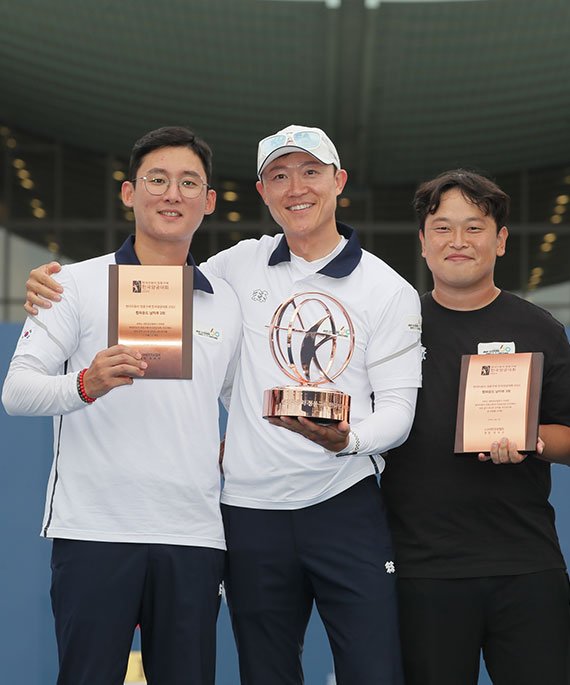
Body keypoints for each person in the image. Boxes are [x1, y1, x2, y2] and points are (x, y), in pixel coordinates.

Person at [22, 124, 423, 685]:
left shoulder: (388, 288)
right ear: (261, 191)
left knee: (375, 672)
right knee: (265, 673)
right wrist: (54, 291)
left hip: (340, 502)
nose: (296, 187)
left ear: (339, 181)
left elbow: (400, 412)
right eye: (279, 175)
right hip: (244, 514)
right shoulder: (234, 270)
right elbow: (157, 272)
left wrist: (349, 439)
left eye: (311, 172)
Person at [2, 126, 242, 685]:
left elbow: (238, 399)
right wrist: (87, 383)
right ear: (130, 192)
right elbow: (16, 391)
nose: (172, 194)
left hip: (194, 535)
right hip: (95, 531)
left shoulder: (224, 300)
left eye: (189, 183)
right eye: (157, 180)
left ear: (208, 202)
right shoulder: (74, 285)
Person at [381, 170, 570, 685]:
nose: (458, 242)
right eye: (442, 228)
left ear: (501, 240)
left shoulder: (541, 329)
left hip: (525, 564)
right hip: (424, 569)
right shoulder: (394, 331)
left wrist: (534, 441)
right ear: (422, 242)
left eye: (475, 227)